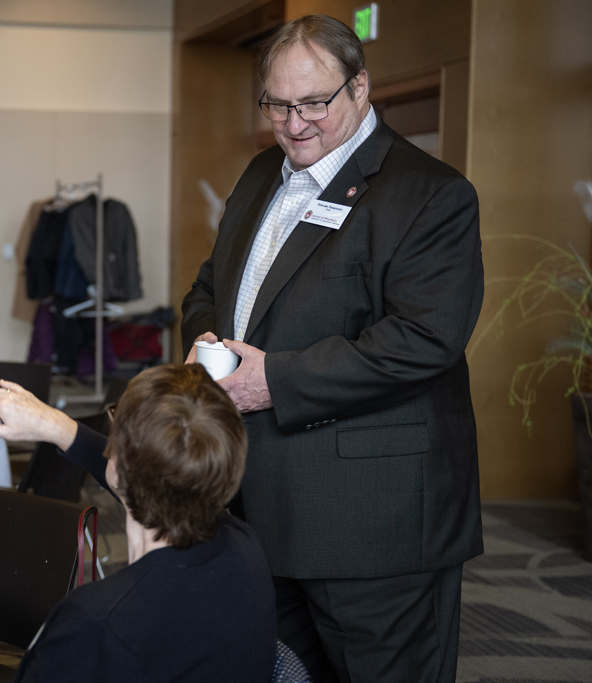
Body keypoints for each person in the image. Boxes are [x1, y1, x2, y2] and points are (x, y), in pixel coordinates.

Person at [181, 15, 483, 683]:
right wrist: (205, 334)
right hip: (261, 509)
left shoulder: (430, 194)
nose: (295, 124)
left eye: (314, 102)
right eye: (278, 105)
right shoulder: (263, 173)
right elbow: (212, 284)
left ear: (360, 88)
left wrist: (275, 379)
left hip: (375, 524)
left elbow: (424, 338)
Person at [0, 364, 277, 682]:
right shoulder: (244, 546)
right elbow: (149, 482)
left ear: (116, 464)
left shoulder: (96, 621)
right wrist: (58, 427)